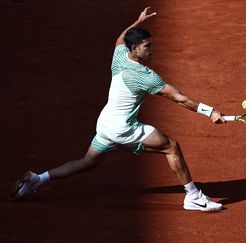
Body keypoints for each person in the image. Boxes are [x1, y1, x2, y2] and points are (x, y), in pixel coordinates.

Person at [9, 7, 226, 212]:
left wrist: (138, 22)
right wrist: (211, 112)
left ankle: (38, 178)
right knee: (171, 147)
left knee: (87, 163)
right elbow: (179, 98)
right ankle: (193, 197)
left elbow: (120, 38)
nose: (152, 49)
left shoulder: (119, 55)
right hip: (122, 128)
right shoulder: (145, 76)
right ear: (135, 48)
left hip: (105, 123)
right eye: (147, 46)